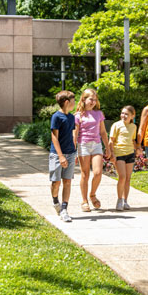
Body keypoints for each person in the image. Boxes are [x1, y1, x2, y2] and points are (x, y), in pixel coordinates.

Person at [74, 88, 111, 212]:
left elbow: (103, 132)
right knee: (85, 174)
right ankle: (84, 201)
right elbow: (75, 134)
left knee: (97, 173)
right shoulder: (78, 115)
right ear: (84, 99)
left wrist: (108, 148)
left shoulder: (99, 114)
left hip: (96, 145)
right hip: (83, 145)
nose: (93, 102)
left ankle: (92, 194)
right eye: (91, 99)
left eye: (95, 100)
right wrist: (73, 151)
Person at [49, 90, 77, 222]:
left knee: (67, 181)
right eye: (73, 101)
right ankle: (55, 202)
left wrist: (74, 151)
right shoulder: (56, 117)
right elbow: (54, 137)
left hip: (70, 153)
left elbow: (71, 135)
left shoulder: (72, 117)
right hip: (57, 154)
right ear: (67, 102)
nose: (75, 103)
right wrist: (60, 156)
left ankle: (64, 209)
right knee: (56, 182)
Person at [109, 105, 138, 211]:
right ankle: (119, 200)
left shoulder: (133, 127)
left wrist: (138, 149)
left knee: (128, 178)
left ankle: (125, 201)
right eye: (122, 113)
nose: (124, 116)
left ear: (132, 116)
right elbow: (111, 140)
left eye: (126, 114)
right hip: (119, 153)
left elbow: (133, 140)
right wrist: (112, 154)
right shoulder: (116, 125)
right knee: (122, 177)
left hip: (130, 153)